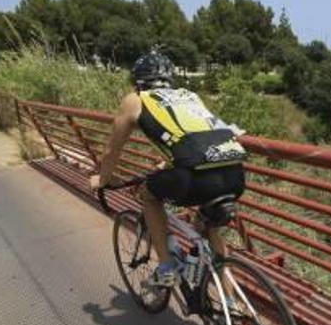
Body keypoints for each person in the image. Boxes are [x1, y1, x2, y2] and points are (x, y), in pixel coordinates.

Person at [90, 51, 247, 287]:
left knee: (148, 195)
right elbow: (196, 135)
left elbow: (111, 151)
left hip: (194, 177)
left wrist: (102, 180)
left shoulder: (136, 99)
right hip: (235, 173)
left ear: (137, 80)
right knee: (208, 227)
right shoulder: (190, 96)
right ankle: (232, 304)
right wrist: (170, 162)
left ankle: (166, 269)